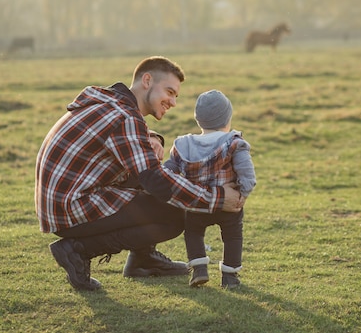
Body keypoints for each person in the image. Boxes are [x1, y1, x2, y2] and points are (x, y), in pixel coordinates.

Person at [34, 56, 244, 291]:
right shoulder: (125, 117)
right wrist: (217, 197)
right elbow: (156, 181)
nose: (173, 102)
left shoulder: (111, 101)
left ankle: (143, 259)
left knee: (150, 176)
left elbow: (125, 144)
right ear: (147, 80)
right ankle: (77, 250)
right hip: (71, 210)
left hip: (61, 204)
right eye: (169, 91)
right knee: (174, 215)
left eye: (176, 96)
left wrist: (152, 137)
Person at [163, 89, 256, 289]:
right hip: (229, 205)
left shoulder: (184, 144)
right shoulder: (234, 143)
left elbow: (168, 169)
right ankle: (230, 277)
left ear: (199, 120)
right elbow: (247, 173)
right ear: (227, 118)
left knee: (193, 233)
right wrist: (243, 194)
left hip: (198, 204)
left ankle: (199, 270)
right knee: (232, 236)